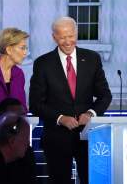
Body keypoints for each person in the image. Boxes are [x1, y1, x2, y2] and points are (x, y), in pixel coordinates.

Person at [29, 17, 112, 184]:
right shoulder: (43, 63)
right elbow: (35, 103)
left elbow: (105, 95)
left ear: (76, 34)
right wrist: (60, 118)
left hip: (88, 137)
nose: (67, 42)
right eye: (62, 37)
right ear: (54, 37)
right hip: (56, 138)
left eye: (70, 36)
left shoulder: (92, 58)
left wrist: (90, 113)